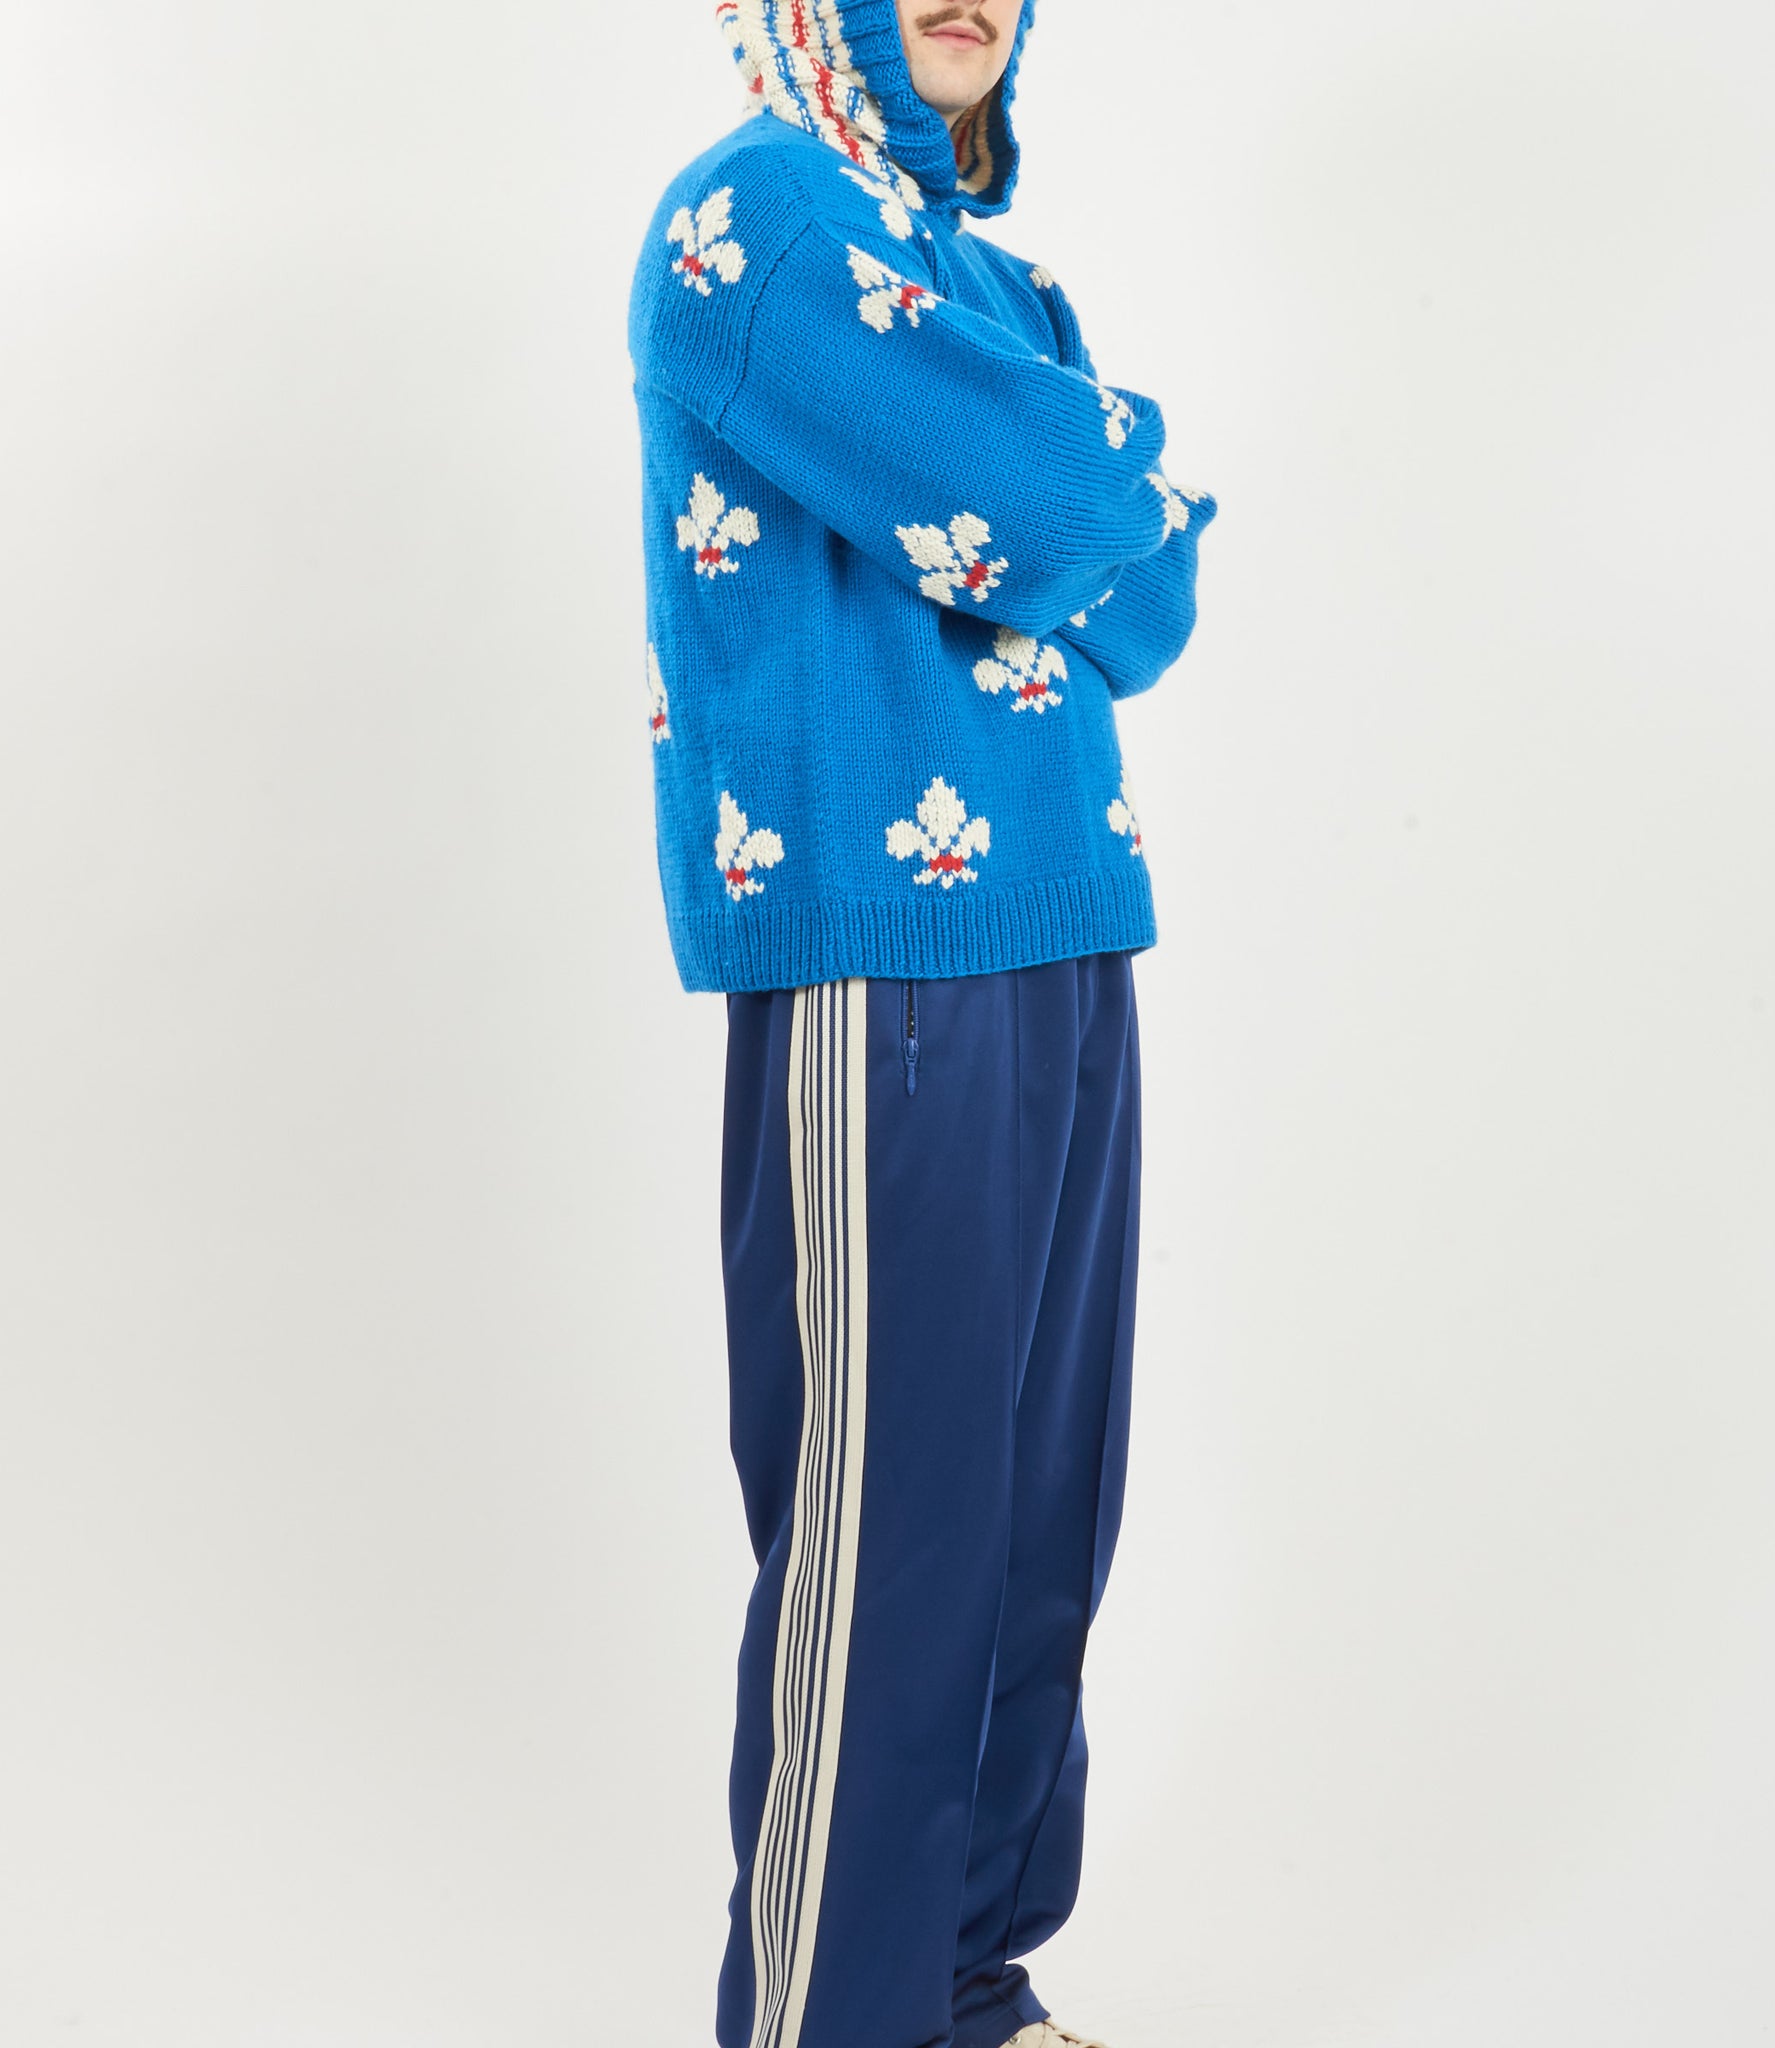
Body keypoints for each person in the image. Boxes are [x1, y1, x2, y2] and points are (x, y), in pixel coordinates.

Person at [627, 4, 1215, 2043]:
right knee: (889, 1546)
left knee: (1040, 1526)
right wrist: (1107, 468)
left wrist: (1076, 489)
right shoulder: (759, 218)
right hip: (880, 955)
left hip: (1065, 918)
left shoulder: (990, 280)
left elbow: (1151, 610)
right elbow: (1075, 520)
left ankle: (966, 1987)